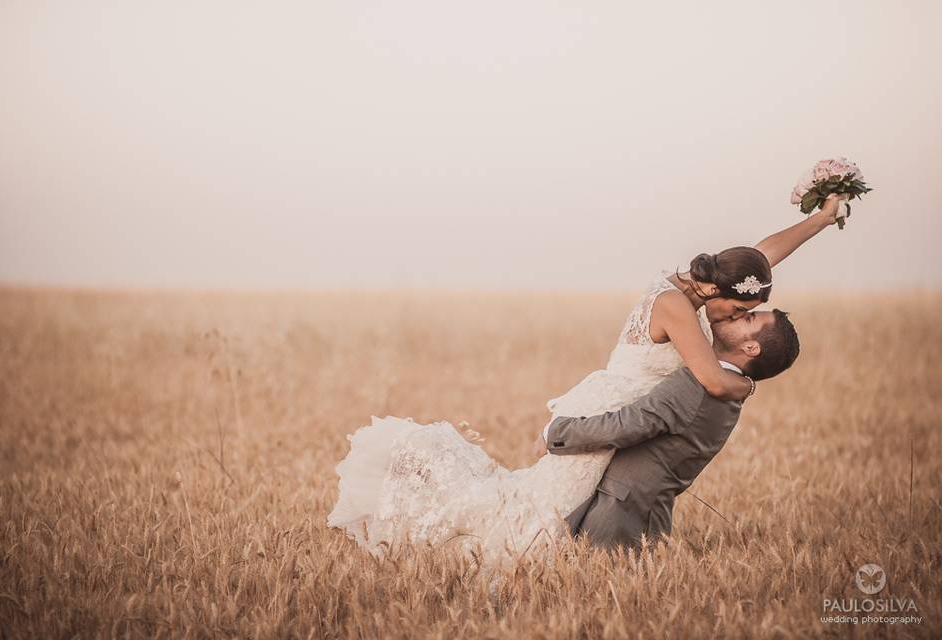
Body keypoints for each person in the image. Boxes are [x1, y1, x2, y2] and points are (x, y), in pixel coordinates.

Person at [327, 194, 849, 565]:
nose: (741, 316)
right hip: (612, 408)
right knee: (538, 517)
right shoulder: (675, 308)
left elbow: (761, 257)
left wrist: (820, 220)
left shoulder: (712, 283)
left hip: (620, 407)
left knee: (551, 507)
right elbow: (714, 380)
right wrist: (747, 385)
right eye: (742, 308)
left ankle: (574, 569)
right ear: (717, 294)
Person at [541, 309, 799, 551]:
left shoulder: (699, 386)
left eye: (749, 318)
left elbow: (626, 425)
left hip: (617, 516)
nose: (737, 313)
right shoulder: (729, 392)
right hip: (640, 513)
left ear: (750, 347)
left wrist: (556, 432)